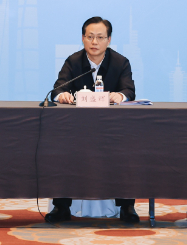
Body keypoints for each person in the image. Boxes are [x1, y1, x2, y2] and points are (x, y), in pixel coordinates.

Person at [45, 16, 138, 225]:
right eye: (90, 37)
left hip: (112, 129)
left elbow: (129, 90)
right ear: (83, 38)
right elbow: (58, 88)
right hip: (77, 129)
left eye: (100, 37)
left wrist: (120, 96)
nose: (94, 42)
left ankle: (126, 206)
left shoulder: (120, 62)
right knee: (61, 150)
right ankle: (61, 206)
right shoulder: (73, 61)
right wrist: (62, 95)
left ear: (109, 40)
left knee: (127, 149)